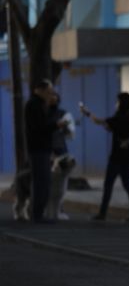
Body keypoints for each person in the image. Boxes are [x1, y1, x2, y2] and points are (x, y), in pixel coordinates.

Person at [82, 92, 129, 222]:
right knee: (127, 185)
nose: (116, 104)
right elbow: (111, 127)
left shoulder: (119, 117)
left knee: (108, 185)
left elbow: (100, 121)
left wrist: (87, 113)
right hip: (127, 156)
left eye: (118, 101)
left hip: (116, 157)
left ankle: (102, 213)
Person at [25, 80, 65, 223]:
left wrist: (53, 108)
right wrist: (57, 124)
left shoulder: (39, 104)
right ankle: (37, 214)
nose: (51, 94)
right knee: (41, 181)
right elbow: (41, 127)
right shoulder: (34, 105)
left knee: (44, 181)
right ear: (40, 90)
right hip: (38, 148)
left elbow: (46, 123)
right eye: (49, 91)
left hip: (42, 148)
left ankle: (38, 213)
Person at [47, 92, 76, 220]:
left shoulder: (64, 113)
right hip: (46, 150)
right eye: (50, 97)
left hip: (60, 150)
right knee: (46, 181)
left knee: (61, 182)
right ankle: (46, 209)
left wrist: (65, 128)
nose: (53, 99)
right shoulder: (42, 112)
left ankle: (59, 208)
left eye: (55, 97)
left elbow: (70, 134)